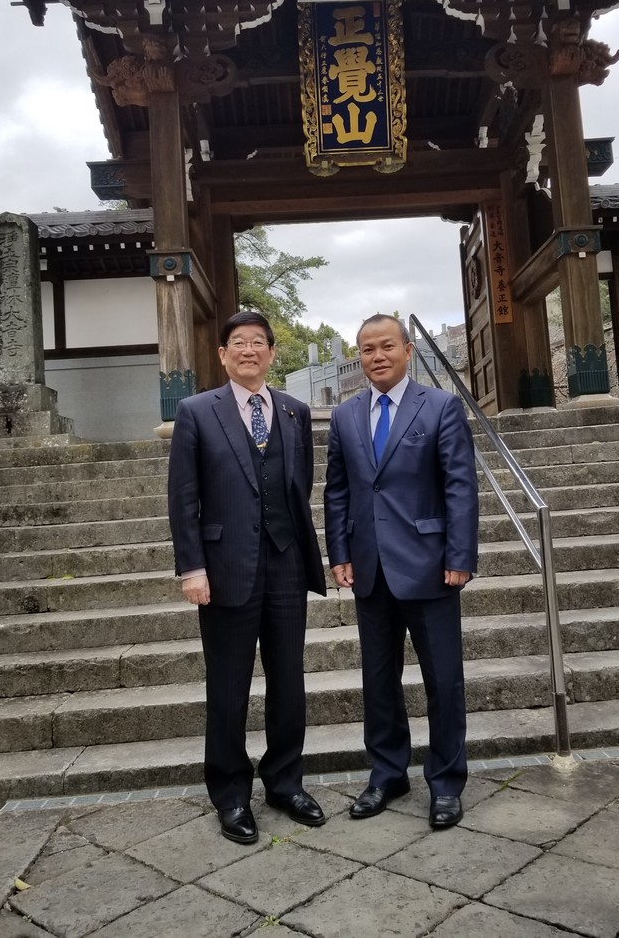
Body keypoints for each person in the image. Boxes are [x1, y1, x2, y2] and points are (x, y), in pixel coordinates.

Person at [168, 311, 327, 844]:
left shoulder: (294, 411)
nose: (249, 350)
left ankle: (285, 782)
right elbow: (183, 497)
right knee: (228, 686)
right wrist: (193, 568)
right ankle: (231, 793)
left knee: (289, 681)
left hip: (285, 564)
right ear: (223, 354)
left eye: (259, 342)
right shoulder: (196, 411)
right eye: (238, 342)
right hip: (224, 567)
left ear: (271, 353)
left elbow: (299, 486)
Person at [324, 314, 479, 830]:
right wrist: (339, 552)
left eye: (387, 346)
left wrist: (460, 556)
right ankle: (387, 773)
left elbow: (460, 485)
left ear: (408, 350)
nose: (377, 356)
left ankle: (446, 783)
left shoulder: (440, 406)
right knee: (378, 680)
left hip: (430, 566)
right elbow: (338, 490)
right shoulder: (345, 416)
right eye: (367, 349)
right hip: (370, 568)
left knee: (443, 680)